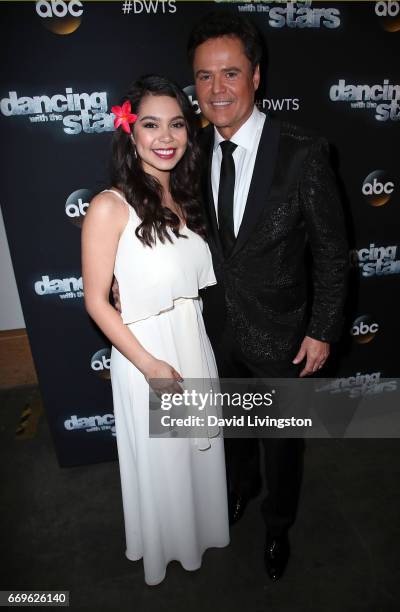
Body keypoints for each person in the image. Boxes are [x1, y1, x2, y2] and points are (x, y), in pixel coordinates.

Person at [186, 12, 348, 581]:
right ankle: (242, 489)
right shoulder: (188, 152)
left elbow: (331, 251)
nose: (217, 89)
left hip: (282, 333)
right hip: (217, 329)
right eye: (205, 77)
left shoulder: (304, 153)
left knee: (282, 444)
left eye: (230, 73)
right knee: (233, 426)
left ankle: (278, 527)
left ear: (257, 76)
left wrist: (323, 329)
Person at [81, 75, 229, 586]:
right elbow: (97, 302)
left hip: (192, 341)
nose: (165, 137)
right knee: (164, 465)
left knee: (193, 457)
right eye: (150, 124)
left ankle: (198, 538)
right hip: (148, 356)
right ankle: (167, 550)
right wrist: (150, 367)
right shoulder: (108, 206)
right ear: (130, 131)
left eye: (176, 125)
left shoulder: (188, 199)